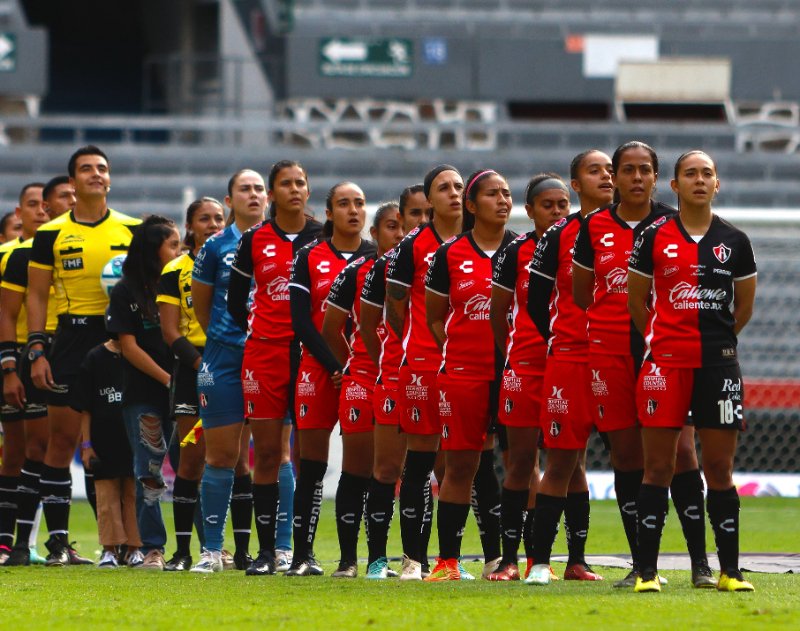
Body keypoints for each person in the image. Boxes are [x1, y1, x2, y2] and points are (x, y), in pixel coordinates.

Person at [573, 141, 715, 589]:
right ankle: (642, 564)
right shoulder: (592, 227)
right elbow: (581, 293)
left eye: (644, 170)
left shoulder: (675, 224)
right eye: (628, 170)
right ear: (614, 176)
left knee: (683, 452)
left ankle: (700, 564)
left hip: (666, 352)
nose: (636, 178)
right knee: (627, 455)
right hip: (610, 352)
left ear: (657, 178)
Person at [628, 151, 757, 593]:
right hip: (665, 364)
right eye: (690, 174)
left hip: (718, 365)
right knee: (658, 467)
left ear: (717, 184)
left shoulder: (735, 241)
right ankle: (647, 573)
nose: (699, 180)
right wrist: (663, 343)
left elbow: (743, 309)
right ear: (675, 186)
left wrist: (716, 343)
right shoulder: (653, 237)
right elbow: (636, 302)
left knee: (719, 469)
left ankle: (730, 572)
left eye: (707, 174)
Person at [26, 146, 140, 566]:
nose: (96, 174)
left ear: (110, 179)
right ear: (72, 183)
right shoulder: (50, 233)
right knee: (62, 442)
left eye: (102, 169)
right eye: (87, 169)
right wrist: (37, 348)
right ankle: (59, 544)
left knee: (124, 441)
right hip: (71, 339)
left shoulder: (132, 229)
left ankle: (131, 543)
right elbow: (37, 295)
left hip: (120, 339)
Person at [226, 160, 322, 576]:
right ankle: (267, 553)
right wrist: (257, 327)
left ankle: (303, 553)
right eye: (286, 184)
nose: (295, 189)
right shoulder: (254, 239)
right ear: (271, 192)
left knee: (309, 456)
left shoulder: (324, 236)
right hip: (265, 354)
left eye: (301, 182)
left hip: (311, 355)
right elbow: (234, 300)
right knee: (266, 452)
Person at [423, 169, 515, 581]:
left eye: (507, 194)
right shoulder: (449, 255)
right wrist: (463, 350)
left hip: (515, 371)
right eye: (493, 194)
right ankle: (448, 561)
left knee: (521, 466)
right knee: (460, 468)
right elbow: (434, 318)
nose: (502, 201)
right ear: (473, 206)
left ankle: (519, 560)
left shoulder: (526, 250)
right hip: (463, 372)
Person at [525, 165, 612, 586]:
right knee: (562, 460)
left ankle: (633, 565)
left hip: (619, 359)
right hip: (571, 359)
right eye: (596, 171)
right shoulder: (561, 235)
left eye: (611, 169)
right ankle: (540, 562)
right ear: (578, 183)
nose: (608, 177)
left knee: (635, 461)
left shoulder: (649, 228)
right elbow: (537, 304)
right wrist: (562, 341)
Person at [286, 181, 375, 576]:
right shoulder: (309, 256)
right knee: (312, 466)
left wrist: (352, 369)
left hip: (363, 373)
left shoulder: (377, 258)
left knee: (365, 469)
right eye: (344, 204)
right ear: (328, 213)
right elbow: (302, 322)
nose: (353, 210)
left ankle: (351, 560)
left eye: (359, 203)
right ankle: (303, 555)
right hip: (318, 370)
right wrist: (336, 368)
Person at [488, 173, 570, 580]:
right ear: (530, 210)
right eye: (548, 205)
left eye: (562, 204)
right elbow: (497, 314)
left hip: (566, 369)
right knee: (520, 462)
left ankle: (568, 560)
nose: (556, 211)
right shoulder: (513, 252)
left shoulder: (579, 244)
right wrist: (514, 357)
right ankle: (508, 560)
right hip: (523, 368)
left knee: (567, 464)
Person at [385, 165, 465, 580]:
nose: (453, 193)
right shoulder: (412, 246)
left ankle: (450, 560)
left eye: (458, 186)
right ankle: (413, 559)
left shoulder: (479, 243)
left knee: (464, 466)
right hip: (422, 367)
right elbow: (394, 306)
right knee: (420, 463)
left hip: (468, 366)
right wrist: (416, 345)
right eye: (443, 188)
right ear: (429, 200)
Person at [189, 169, 266, 573]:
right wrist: (224, 338)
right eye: (244, 190)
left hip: (271, 357)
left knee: (277, 455)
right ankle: (211, 551)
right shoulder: (215, 247)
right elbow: (201, 307)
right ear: (229, 199)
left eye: (258, 189)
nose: (252, 195)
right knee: (221, 455)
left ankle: (282, 550)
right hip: (224, 359)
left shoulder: (287, 246)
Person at [321, 201, 403, 578]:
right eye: (390, 226)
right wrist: (347, 365)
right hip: (365, 378)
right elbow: (330, 328)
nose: (399, 233)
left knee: (402, 472)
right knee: (358, 470)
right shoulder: (357, 271)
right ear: (374, 234)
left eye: (405, 225)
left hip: (405, 376)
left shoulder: (425, 268)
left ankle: (382, 558)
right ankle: (348, 560)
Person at [359, 189, 429, 581]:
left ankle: (417, 559)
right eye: (412, 215)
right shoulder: (383, 265)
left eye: (425, 213)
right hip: (393, 376)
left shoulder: (446, 256)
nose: (419, 222)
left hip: (431, 376)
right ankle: (376, 559)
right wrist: (389, 358)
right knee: (387, 469)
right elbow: (369, 326)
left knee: (425, 468)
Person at [105, 215, 182, 570]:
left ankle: (206, 549)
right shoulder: (125, 292)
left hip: (186, 392)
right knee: (149, 470)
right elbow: (128, 347)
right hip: (144, 394)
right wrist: (169, 379)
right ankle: (153, 548)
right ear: (154, 251)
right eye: (173, 246)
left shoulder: (185, 283)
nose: (180, 252)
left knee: (191, 467)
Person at [157, 197, 225, 570]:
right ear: (190, 226)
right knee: (191, 461)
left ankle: (240, 551)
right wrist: (203, 364)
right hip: (193, 366)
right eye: (204, 218)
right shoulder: (175, 269)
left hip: (231, 362)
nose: (213, 224)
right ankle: (183, 552)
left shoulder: (236, 262)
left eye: (218, 217)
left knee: (235, 463)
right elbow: (169, 331)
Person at [0, 183, 49, 565]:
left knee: (42, 449)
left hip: (52, 355)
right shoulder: (8, 257)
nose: (40, 211)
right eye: (31, 205)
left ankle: (29, 542)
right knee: (18, 451)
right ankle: (10, 542)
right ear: (20, 212)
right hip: (15, 359)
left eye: (43, 204)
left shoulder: (58, 250)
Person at [74, 337, 140, 569]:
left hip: (134, 438)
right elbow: (85, 407)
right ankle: (109, 551)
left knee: (134, 494)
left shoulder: (140, 354)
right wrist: (86, 445)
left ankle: (134, 549)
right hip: (104, 440)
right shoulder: (95, 357)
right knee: (106, 497)